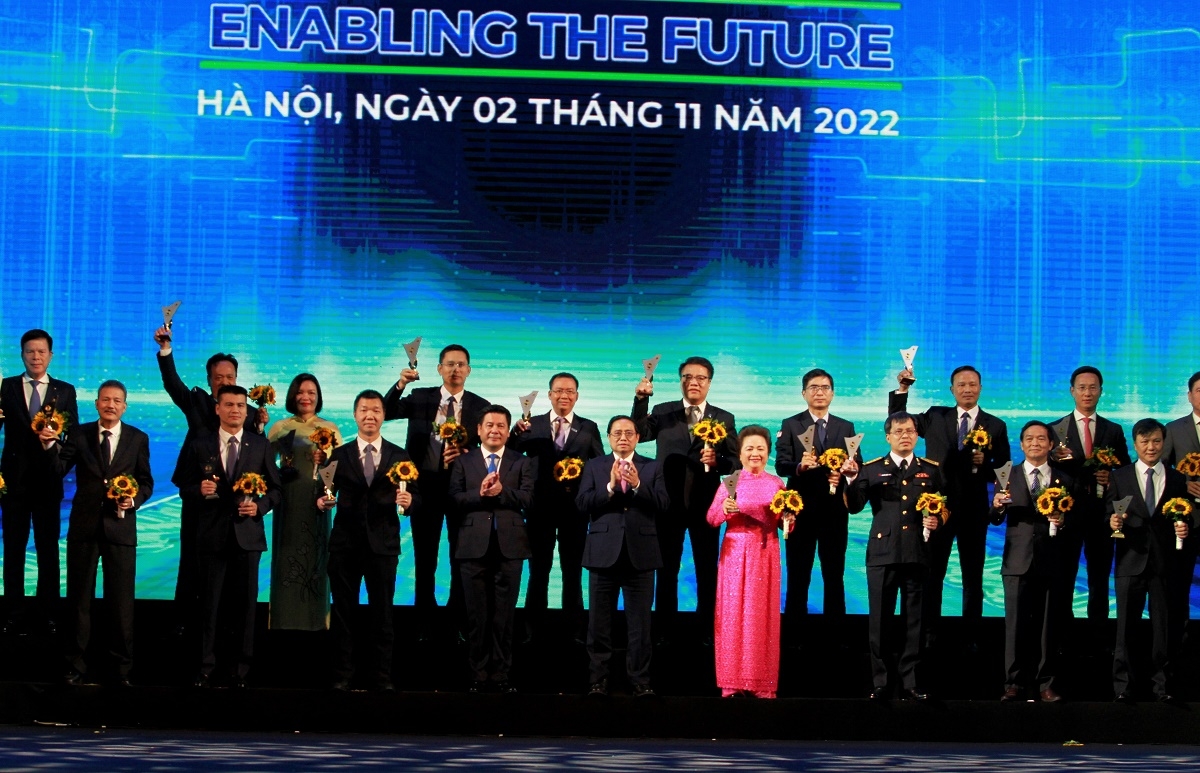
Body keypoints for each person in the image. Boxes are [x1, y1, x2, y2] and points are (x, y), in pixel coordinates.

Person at [153, 326, 267, 636]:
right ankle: (184, 625)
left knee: (229, 571)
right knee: (191, 561)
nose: (225, 382)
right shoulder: (197, 402)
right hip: (198, 497)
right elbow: (173, 384)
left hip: (232, 505)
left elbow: (258, 456)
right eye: (219, 378)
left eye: (230, 377)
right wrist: (165, 350)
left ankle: (225, 631)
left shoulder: (249, 412)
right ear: (209, 381)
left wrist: (260, 428)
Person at [889, 364, 1010, 650]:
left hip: (974, 510)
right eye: (961, 385)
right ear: (952, 389)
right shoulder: (935, 416)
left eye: (972, 384)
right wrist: (903, 389)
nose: (967, 389)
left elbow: (1003, 470)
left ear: (980, 388)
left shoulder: (995, 425)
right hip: (936, 508)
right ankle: (928, 635)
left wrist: (986, 465)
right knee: (933, 574)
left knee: (973, 577)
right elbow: (899, 422)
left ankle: (971, 636)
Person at [172, 385, 281, 688]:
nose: (235, 410)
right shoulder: (200, 444)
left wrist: (259, 507)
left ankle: (240, 671)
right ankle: (206, 667)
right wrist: (198, 490)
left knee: (245, 608)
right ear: (217, 409)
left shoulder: (260, 445)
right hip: (211, 537)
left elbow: (276, 489)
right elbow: (183, 486)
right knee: (209, 605)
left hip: (247, 538)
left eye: (240, 406)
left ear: (247, 411)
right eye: (229, 405)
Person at [383, 344, 489, 639]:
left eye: (461, 365)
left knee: (460, 557)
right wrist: (400, 384)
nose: (455, 369)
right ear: (439, 368)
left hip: (461, 491)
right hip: (424, 488)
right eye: (450, 364)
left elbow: (488, 449)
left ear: (469, 370)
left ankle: (457, 621)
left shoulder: (481, 406)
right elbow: (387, 411)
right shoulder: (421, 397)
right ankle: (423, 622)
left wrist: (467, 453)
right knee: (424, 557)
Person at [51, 380, 152, 687]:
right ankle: (75, 665)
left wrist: (133, 500)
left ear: (125, 406)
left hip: (120, 529)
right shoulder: (79, 434)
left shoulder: (137, 438)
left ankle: (121, 670)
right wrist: (49, 445)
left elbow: (146, 482)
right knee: (79, 600)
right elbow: (58, 468)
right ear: (96, 404)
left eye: (117, 400)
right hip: (84, 527)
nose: (110, 405)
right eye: (105, 400)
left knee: (121, 603)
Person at [632, 356, 737, 646]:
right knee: (666, 569)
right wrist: (640, 399)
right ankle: (664, 631)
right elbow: (640, 433)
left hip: (706, 506)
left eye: (700, 377)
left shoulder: (724, 417)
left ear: (709, 383)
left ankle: (708, 631)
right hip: (668, 503)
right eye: (687, 377)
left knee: (707, 569)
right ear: (680, 381)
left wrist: (718, 461)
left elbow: (736, 461)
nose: (693, 382)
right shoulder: (664, 411)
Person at [318, 390, 415, 692]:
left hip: (383, 546)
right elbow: (322, 491)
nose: (369, 415)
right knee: (343, 613)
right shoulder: (339, 454)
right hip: (345, 545)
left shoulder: (399, 455)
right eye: (363, 410)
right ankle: (342, 676)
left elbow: (417, 496)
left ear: (384, 415)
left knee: (382, 614)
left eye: (376, 410)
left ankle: (381, 677)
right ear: (355, 415)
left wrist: (410, 501)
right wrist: (321, 501)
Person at [845, 412, 945, 701]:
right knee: (879, 620)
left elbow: (944, 506)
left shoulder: (931, 469)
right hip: (883, 552)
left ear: (917, 435)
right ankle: (881, 682)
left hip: (917, 551)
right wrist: (850, 480)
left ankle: (912, 682)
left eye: (910, 431)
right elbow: (854, 506)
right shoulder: (872, 468)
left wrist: (937, 520)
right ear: (888, 437)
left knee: (916, 620)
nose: (905, 436)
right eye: (899, 431)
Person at [575, 416, 669, 698]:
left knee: (640, 625)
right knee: (598, 624)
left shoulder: (652, 466)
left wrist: (638, 485)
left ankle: (640, 680)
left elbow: (663, 504)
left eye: (629, 433)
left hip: (641, 555)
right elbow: (582, 503)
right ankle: (598, 680)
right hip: (602, 554)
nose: (623, 438)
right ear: (608, 437)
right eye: (617, 433)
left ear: (638, 437)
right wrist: (609, 487)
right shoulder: (595, 466)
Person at [508, 372, 604, 644]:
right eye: (559, 391)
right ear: (550, 395)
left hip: (575, 511)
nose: (564, 395)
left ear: (577, 396)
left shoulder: (588, 427)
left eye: (570, 391)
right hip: (539, 509)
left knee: (573, 571)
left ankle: (574, 631)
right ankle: (532, 630)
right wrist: (515, 433)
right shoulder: (531, 424)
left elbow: (598, 465)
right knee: (538, 570)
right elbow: (511, 456)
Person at [448, 405, 534, 693]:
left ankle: (500, 675)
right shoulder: (464, 461)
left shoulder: (521, 462)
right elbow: (454, 499)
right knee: (476, 615)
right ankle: (477, 674)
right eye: (489, 425)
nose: (495, 430)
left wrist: (502, 492)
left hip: (510, 548)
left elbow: (529, 499)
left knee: (504, 617)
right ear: (479, 430)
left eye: (500, 426)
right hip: (472, 547)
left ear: (508, 431)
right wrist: (480, 494)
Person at [0, 328, 79, 635]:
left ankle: (49, 613)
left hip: (48, 483)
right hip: (15, 483)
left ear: (50, 355)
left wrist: (60, 463)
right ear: (22, 354)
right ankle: (13, 613)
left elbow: (73, 439)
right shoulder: (6, 387)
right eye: (30, 351)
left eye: (41, 351)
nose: (36, 357)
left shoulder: (65, 391)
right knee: (14, 549)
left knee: (48, 550)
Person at [1107, 418, 1191, 704]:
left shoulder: (1177, 479)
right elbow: (1107, 514)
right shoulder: (1120, 477)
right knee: (1125, 629)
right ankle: (1123, 688)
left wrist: (1184, 527)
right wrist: (1112, 520)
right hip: (1129, 561)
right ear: (1135, 444)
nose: (1151, 447)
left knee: (1163, 629)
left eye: (1156, 441)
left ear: (1163, 442)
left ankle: (1162, 687)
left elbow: (1183, 515)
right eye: (1145, 442)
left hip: (1165, 564)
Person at [988, 421, 1073, 703]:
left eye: (1041, 438)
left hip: (1052, 560)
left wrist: (1063, 519)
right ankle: (1013, 683)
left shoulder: (1064, 479)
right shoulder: (1007, 475)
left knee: (1049, 627)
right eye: (1029, 439)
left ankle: (1046, 684)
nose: (1035, 443)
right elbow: (994, 518)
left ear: (1051, 444)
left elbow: (1075, 520)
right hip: (1017, 560)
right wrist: (997, 506)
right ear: (1022, 444)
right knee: (1015, 626)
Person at [774, 368, 860, 639]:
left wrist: (846, 473)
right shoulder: (791, 424)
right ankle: (794, 638)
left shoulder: (845, 427)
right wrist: (799, 467)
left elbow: (856, 464)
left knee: (834, 575)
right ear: (804, 393)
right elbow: (781, 464)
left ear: (832, 393)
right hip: (800, 511)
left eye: (825, 387)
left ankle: (836, 637)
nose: (819, 392)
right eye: (813, 387)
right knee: (798, 575)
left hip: (834, 513)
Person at [706, 426, 791, 698]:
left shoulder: (777, 484)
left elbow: (784, 524)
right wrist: (725, 509)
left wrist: (788, 519)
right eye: (749, 448)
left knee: (762, 616)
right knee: (732, 615)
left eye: (760, 449)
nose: (755, 453)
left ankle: (762, 684)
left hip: (765, 552)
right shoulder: (730, 481)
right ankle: (732, 684)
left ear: (768, 453)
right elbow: (711, 519)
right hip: (734, 552)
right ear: (740, 453)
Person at [1049, 366, 1131, 632]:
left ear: (1101, 391)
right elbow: (1044, 470)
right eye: (1082, 388)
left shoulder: (1113, 430)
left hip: (1100, 515)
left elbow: (1126, 470)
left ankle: (1098, 636)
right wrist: (1052, 457)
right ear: (1072, 391)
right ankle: (1063, 635)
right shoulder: (1055, 429)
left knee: (1099, 577)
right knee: (1064, 575)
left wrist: (1111, 477)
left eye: (1093, 387)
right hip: (1067, 513)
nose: (1087, 393)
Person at [267, 374, 343, 631]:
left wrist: (328, 487)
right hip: (288, 502)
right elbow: (265, 464)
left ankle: (316, 622)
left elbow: (339, 469)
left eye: (311, 392)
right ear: (293, 395)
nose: (305, 397)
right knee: (287, 557)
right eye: (300, 392)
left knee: (316, 560)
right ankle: (284, 621)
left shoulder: (330, 428)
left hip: (317, 502)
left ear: (318, 396)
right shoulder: (280, 427)